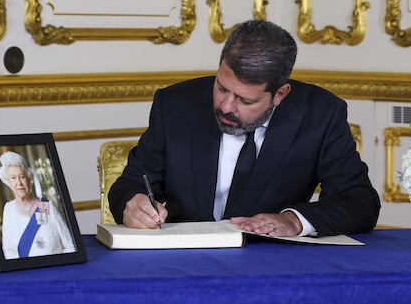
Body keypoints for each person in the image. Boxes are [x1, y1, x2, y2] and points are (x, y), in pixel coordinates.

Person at [109, 20, 380, 237]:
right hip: (185, 256)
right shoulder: (175, 105)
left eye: (245, 100)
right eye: (222, 88)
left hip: (274, 261)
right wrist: (133, 204)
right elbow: (130, 184)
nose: (226, 106)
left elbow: (359, 201)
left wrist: (293, 220)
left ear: (280, 94)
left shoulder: (320, 114)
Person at [0, 151, 76, 259]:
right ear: (8, 182)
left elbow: (69, 246)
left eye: (22, 176)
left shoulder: (46, 206)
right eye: (13, 178)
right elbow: (8, 250)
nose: (19, 182)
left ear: (29, 178)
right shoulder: (8, 209)